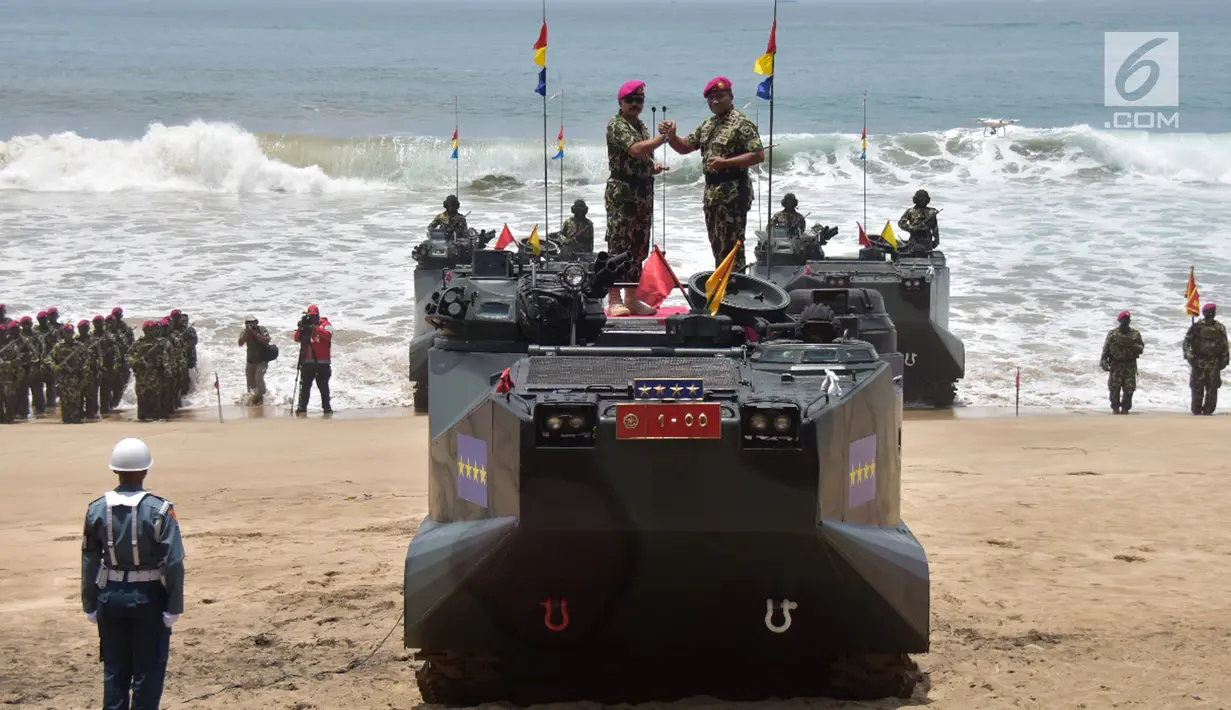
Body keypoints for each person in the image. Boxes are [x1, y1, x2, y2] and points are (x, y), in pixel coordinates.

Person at [81, 438, 185, 710]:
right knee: (148, 673)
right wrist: (174, 605)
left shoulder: (96, 509)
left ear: (115, 470)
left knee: (114, 672)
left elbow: (90, 560)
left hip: (110, 595)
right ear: (146, 470)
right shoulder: (160, 509)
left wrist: (90, 602)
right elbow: (173, 561)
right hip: (148, 595)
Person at [659, 76, 764, 272]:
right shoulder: (708, 125)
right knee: (717, 246)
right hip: (712, 194)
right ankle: (721, 290)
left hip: (734, 193)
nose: (715, 101)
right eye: (712, 97)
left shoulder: (741, 123)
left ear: (730, 97)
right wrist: (671, 137)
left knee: (732, 248)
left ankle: (734, 289)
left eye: (720, 96)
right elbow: (685, 147)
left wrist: (726, 162)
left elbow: (758, 155)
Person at [605, 80, 667, 317]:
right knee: (619, 244)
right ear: (621, 103)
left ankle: (631, 296)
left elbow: (644, 156)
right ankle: (614, 297)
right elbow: (634, 150)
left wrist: (654, 165)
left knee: (638, 246)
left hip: (643, 191)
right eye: (630, 100)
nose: (635, 104)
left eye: (639, 100)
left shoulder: (640, 126)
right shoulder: (616, 125)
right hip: (622, 192)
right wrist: (663, 138)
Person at [1183, 302, 1229, 415]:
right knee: (1197, 387)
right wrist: (1190, 357)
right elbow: (1187, 343)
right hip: (1199, 361)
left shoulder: (1219, 328)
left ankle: (1208, 410)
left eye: (1211, 313)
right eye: (1209, 313)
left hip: (1214, 362)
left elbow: (1224, 346)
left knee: (1212, 388)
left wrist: (1224, 360)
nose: (1210, 314)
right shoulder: (1197, 327)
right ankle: (1197, 410)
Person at [1099, 310, 1144, 414]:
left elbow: (1141, 348)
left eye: (1127, 320)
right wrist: (1103, 361)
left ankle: (1125, 408)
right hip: (1116, 364)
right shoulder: (1112, 334)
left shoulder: (1135, 334)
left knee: (1129, 389)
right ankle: (1115, 407)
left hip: (1130, 364)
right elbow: (1106, 349)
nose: (1125, 322)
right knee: (1114, 388)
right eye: (1123, 320)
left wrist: (1129, 343)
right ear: (1119, 321)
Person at [294, 305, 333, 414]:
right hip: (308, 363)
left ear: (318, 315)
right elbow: (296, 338)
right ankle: (302, 409)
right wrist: (301, 328)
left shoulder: (326, 325)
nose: (312, 319)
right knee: (305, 387)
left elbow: (328, 336)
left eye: (314, 316)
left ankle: (327, 409)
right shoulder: (306, 326)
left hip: (322, 364)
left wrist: (315, 328)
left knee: (323, 387)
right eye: (310, 316)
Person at [50, 323, 87, 423]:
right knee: (64, 400)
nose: (69, 335)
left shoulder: (79, 346)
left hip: (76, 376)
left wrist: (81, 371)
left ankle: (76, 419)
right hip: (63, 377)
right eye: (67, 333)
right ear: (63, 333)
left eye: (71, 332)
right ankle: (66, 420)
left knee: (76, 399)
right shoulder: (58, 346)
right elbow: (49, 359)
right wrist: (55, 367)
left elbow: (85, 360)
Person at [238, 316, 273, 405]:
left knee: (258, 377)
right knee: (251, 385)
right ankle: (253, 401)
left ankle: (264, 398)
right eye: (248, 323)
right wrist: (247, 333)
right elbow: (240, 343)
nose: (251, 324)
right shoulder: (244, 332)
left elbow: (267, 340)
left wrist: (256, 334)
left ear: (256, 322)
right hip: (250, 362)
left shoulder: (261, 329)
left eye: (253, 322)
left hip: (262, 361)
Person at [898, 189, 940, 255]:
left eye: (924, 200)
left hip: (927, 239)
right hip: (915, 238)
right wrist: (912, 228)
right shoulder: (911, 211)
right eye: (921, 200)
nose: (923, 202)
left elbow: (935, 228)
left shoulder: (931, 212)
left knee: (926, 256)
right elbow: (901, 223)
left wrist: (936, 241)